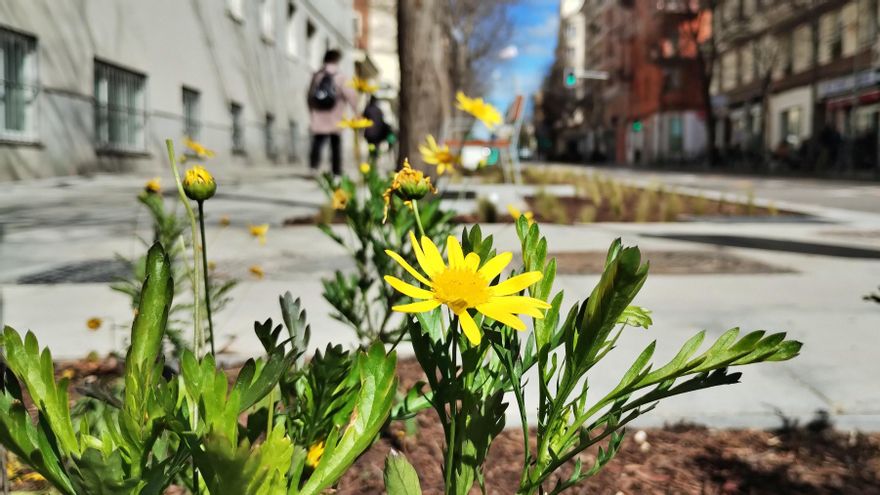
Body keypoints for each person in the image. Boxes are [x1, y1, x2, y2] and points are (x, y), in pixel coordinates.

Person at [308, 49, 356, 176]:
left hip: (319, 115)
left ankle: (314, 167)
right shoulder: (341, 76)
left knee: (318, 142)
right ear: (337, 60)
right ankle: (336, 172)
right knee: (335, 145)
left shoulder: (317, 75)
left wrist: (311, 110)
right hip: (336, 115)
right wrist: (356, 111)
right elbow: (350, 95)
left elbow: (310, 94)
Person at [363, 95, 392, 161]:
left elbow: (363, 119)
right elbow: (382, 120)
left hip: (369, 133)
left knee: (370, 147)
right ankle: (374, 160)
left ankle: (372, 160)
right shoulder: (379, 110)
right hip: (378, 133)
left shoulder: (367, 109)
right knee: (376, 147)